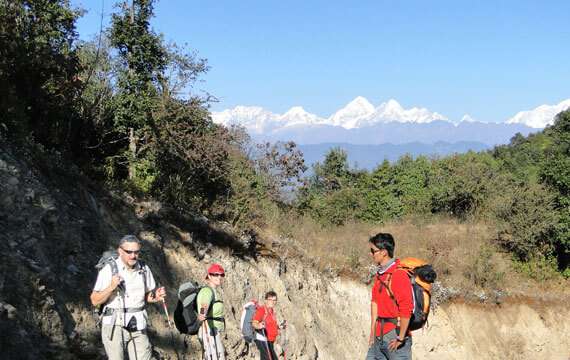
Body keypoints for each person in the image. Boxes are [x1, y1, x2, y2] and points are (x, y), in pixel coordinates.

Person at [90, 235, 166, 360]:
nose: (133, 256)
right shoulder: (109, 269)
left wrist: (156, 296)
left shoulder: (144, 268)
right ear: (120, 251)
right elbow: (94, 300)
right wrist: (111, 287)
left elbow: (146, 296)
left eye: (136, 252)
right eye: (129, 252)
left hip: (138, 323)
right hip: (115, 324)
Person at [366, 233, 414, 360]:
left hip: (395, 337)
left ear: (383, 252)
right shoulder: (380, 274)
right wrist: (372, 331)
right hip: (378, 337)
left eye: (373, 251)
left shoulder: (398, 274)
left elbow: (406, 308)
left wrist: (401, 338)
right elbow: (375, 303)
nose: (371, 254)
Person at [197, 263, 226, 360]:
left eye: (221, 275)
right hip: (209, 330)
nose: (219, 277)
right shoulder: (207, 291)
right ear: (209, 276)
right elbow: (204, 304)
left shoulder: (213, 291)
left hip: (213, 330)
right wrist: (202, 313)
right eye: (216, 274)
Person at [251, 291, 280, 360]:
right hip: (264, 341)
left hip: (270, 342)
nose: (273, 302)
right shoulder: (262, 310)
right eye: (270, 300)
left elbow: (270, 324)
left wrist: (278, 327)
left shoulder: (271, 311)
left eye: (274, 300)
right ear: (266, 300)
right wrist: (259, 326)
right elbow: (254, 323)